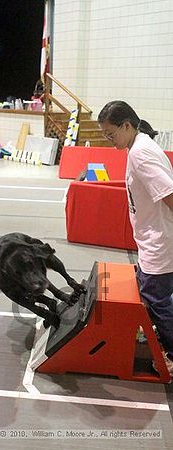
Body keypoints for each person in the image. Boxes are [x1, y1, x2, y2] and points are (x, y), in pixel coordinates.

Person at [98, 100, 173, 376]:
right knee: (151, 293)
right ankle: (158, 338)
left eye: (110, 134)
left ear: (127, 125)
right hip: (152, 238)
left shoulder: (141, 153)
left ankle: (170, 353)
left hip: (160, 241)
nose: (109, 141)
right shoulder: (138, 147)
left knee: (158, 300)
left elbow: (168, 194)